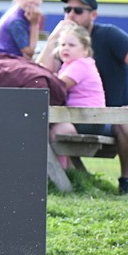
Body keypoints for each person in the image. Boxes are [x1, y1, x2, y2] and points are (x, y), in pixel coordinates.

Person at [36, 0, 128, 195]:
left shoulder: (109, 34)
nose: (71, 15)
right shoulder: (64, 44)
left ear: (93, 15)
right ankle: (68, 178)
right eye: (67, 10)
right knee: (53, 127)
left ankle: (126, 180)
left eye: (78, 10)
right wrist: (53, 39)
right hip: (76, 115)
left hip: (114, 113)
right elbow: (40, 74)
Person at [43, 23, 106, 169]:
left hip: (89, 120)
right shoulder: (68, 65)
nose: (65, 48)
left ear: (85, 50)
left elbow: (58, 86)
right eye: (62, 44)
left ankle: (60, 171)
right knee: (49, 126)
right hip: (79, 117)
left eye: (71, 45)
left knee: (57, 130)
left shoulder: (81, 65)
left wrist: (46, 77)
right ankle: (66, 171)